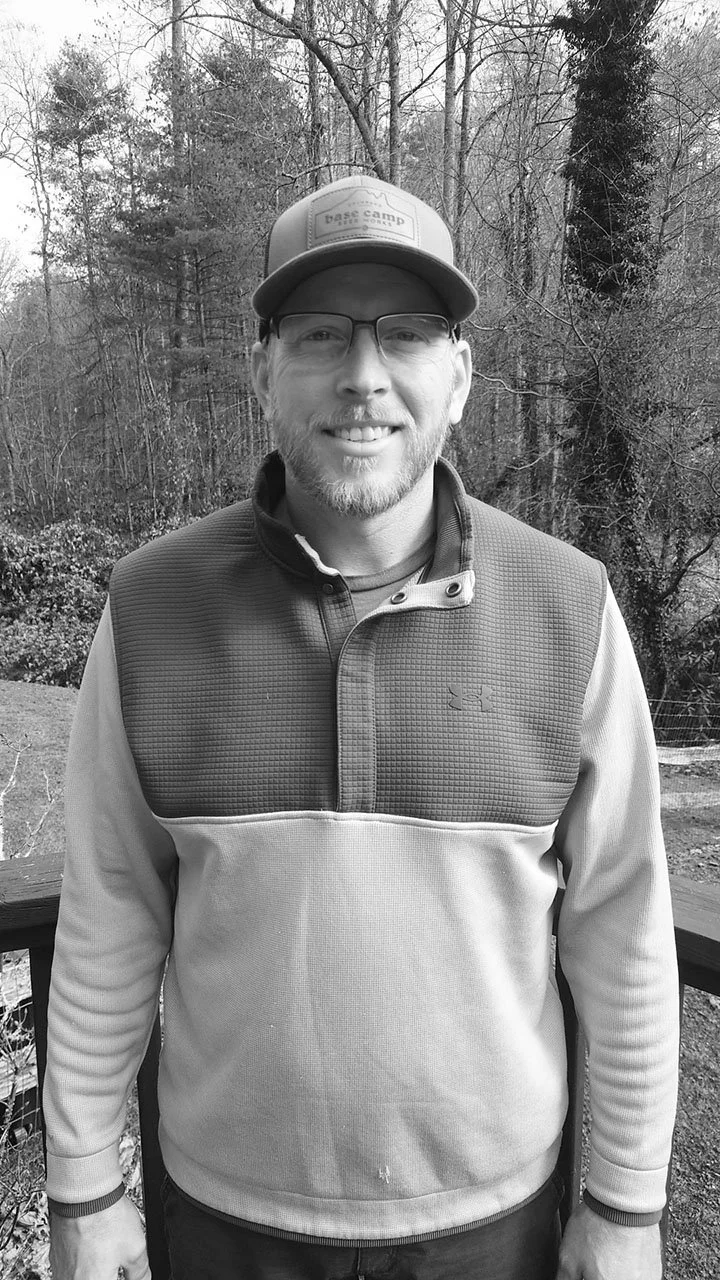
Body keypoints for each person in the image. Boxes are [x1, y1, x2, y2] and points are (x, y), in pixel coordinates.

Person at [44, 175, 679, 1280]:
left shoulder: (568, 605)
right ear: (262, 369)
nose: (365, 377)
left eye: (408, 334)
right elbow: (109, 917)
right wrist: (85, 1188)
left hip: (494, 1225)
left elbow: (622, 929)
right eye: (322, 335)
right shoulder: (150, 607)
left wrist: (624, 1205)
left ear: (462, 375)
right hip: (220, 1220)